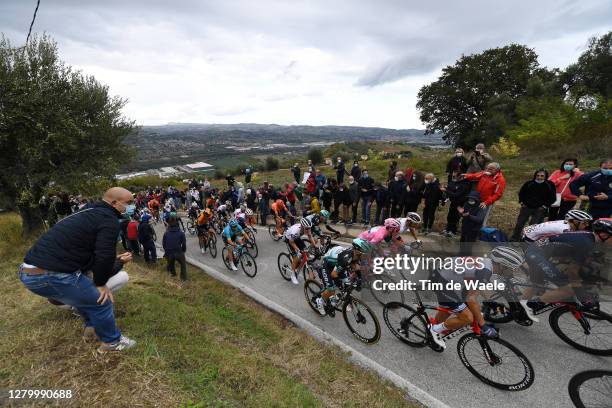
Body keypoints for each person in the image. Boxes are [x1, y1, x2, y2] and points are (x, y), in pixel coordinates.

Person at [20, 187, 137, 353]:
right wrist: (101, 284)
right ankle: (112, 342)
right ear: (114, 203)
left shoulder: (88, 211)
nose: (132, 206)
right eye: (129, 203)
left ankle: (91, 330)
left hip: (31, 271)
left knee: (86, 293)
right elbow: (103, 256)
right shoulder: (109, 221)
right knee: (102, 301)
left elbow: (89, 254)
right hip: (51, 275)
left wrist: (113, 263)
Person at [427, 247, 524, 349]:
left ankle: (434, 327)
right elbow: (471, 298)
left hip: (444, 274)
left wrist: (489, 301)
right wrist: (483, 325)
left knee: (454, 308)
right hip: (441, 280)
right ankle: (434, 330)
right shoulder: (485, 271)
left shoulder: (488, 264)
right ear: (503, 266)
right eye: (512, 269)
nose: (513, 273)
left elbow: (479, 286)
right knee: (468, 317)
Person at [520, 219, 612, 321]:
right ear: (604, 235)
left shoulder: (590, 238)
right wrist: (583, 297)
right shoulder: (586, 244)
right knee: (569, 289)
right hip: (536, 254)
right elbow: (572, 271)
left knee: (537, 284)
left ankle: (519, 310)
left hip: (542, 253)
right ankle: (531, 306)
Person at [315, 239, 374, 315]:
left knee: (347, 283)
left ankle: (338, 300)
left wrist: (361, 279)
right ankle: (319, 301)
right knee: (332, 289)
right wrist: (341, 287)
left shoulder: (356, 254)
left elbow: (355, 267)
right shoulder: (346, 258)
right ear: (357, 251)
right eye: (364, 253)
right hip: (327, 265)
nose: (366, 255)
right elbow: (334, 274)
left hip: (339, 264)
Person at [511, 169, 557, 241]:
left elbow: (552, 198)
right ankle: (515, 238)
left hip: (539, 209)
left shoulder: (549, 185)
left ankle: (528, 240)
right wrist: (522, 202)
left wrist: (544, 206)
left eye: (542, 176)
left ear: (545, 176)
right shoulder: (529, 183)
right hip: (526, 207)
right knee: (520, 223)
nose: (539, 177)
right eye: (538, 175)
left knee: (533, 226)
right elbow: (521, 193)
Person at [462, 162, 506, 227]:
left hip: (486, 202)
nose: (488, 170)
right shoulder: (485, 173)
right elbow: (475, 175)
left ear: (497, 170)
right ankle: (468, 227)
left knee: (481, 218)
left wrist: (486, 202)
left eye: (491, 169)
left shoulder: (500, 180)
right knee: (472, 214)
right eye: (487, 168)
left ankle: (480, 231)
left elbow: (497, 194)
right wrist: (466, 176)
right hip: (477, 198)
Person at [521, 209, 592, 242]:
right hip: (529, 238)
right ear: (575, 221)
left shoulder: (565, 223)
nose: (587, 225)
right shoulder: (563, 230)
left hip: (530, 231)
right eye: (584, 223)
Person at [284, 218, 314, 284]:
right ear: (302, 226)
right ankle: (293, 275)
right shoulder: (295, 231)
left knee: (306, 252)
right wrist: (298, 250)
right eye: (307, 229)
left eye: (309, 228)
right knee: (296, 257)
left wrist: (315, 246)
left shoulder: (307, 228)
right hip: (289, 239)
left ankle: (299, 264)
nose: (308, 230)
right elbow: (291, 242)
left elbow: (310, 236)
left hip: (296, 238)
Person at [443, 169, 470, 237]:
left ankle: (453, 231)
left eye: (455, 177)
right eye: (453, 176)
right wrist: (447, 188)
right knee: (450, 216)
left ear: (460, 177)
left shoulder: (464, 185)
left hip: (459, 203)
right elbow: (452, 189)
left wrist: (446, 191)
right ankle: (448, 229)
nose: (453, 178)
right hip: (453, 202)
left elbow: (456, 194)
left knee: (455, 217)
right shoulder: (455, 182)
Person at [162, 215, 188, 281]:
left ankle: (173, 274)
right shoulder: (181, 233)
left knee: (170, 263)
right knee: (183, 263)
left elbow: (164, 244)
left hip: (169, 253)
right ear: (178, 225)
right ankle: (183, 278)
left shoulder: (166, 233)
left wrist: (166, 251)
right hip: (178, 252)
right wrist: (183, 251)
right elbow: (184, 244)